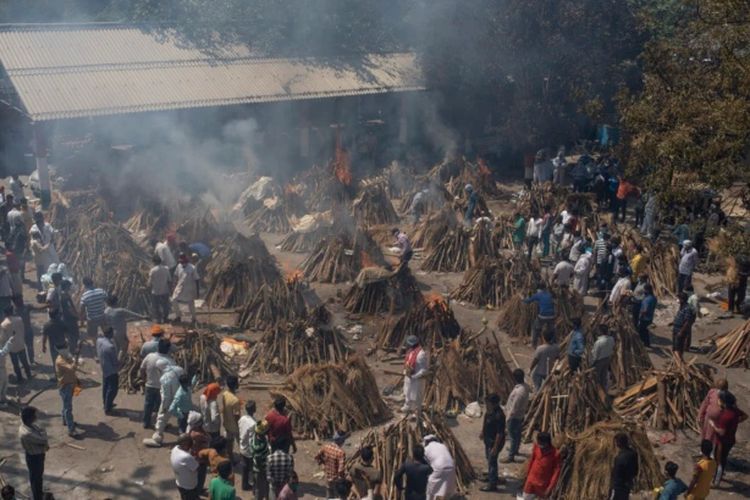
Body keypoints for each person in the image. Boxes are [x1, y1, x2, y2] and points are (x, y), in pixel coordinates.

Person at [709, 391, 747, 486]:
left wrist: (713, 425)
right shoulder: (734, 410)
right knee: (723, 459)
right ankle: (719, 475)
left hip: (722, 442)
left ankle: (716, 482)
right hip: (730, 440)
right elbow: (745, 416)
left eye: (719, 399)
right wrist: (735, 422)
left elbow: (721, 432)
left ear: (723, 402)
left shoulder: (726, 416)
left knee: (719, 461)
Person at [139, 338, 174, 429]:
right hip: (162, 388)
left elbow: (142, 369)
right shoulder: (170, 361)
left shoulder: (150, 356)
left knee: (148, 405)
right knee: (160, 407)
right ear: (168, 349)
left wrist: (143, 380)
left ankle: (146, 423)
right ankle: (160, 425)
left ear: (158, 347)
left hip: (149, 385)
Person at [19, 406, 49, 500]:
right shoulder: (27, 433)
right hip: (35, 457)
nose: (36, 417)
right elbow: (43, 439)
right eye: (34, 415)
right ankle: (37, 497)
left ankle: (39, 493)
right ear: (29, 418)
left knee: (37, 477)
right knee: (36, 478)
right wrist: (43, 431)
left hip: (36, 455)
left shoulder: (27, 425)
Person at [152, 363, 186, 445]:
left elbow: (166, 396)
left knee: (162, 416)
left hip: (170, 399)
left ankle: (158, 436)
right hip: (182, 396)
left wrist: (164, 407)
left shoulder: (164, 378)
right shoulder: (179, 369)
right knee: (183, 416)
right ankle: (184, 436)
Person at [521, 431, 561, 499]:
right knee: (525, 497)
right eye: (539, 444)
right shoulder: (536, 447)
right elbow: (531, 460)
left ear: (548, 443)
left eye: (542, 444)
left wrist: (550, 487)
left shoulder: (555, 454)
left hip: (543, 484)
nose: (541, 447)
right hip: (531, 480)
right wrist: (527, 475)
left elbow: (556, 472)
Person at [479, 393, 505, 492]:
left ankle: (492, 484)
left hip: (494, 442)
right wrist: (482, 431)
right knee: (490, 460)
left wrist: (495, 447)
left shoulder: (499, 415)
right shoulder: (489, 411)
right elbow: (485, 422)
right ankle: (492, 476)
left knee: (492, 462)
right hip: (488, 440)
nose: (486, 404)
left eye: (488, 402)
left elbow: (500, 433)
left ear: (493, 403)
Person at [503, 369, 530, 463]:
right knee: (517, 435)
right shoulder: (525, 387)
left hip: (514, 417)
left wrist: (508, 418)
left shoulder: (519, 392)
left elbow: (514, 407)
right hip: (520, 415)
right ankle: (515, 450)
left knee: (513, 436)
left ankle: (511, 456)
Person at [401, 335, 429, 421]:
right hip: (409, 378)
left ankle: (416, 413)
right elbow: (408, 363)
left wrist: (414, 376)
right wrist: (406, 371)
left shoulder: (421, 355)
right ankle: (407, 406)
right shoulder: (411, 351)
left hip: (417, 380)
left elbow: (423, 370)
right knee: (408, 393)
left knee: (416, 397)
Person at [54, 343, 79, 437]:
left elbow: (72, 362)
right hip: (65, 386)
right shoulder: (60, 361)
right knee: (68, 408)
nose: (67, 349)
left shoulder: (65, 357)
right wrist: (76, 358)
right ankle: (71, 429)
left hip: (70, 384)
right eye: (65, 348)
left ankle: (66, 421)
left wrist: (74, 358)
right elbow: (72, 368)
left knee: (65, 405)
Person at [2, 305, 31, 383]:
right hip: (21, 343)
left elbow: (4, 338)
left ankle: (20, 378)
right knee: (24, 361)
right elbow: (23, 330)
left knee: (15, 364)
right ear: (12, 311)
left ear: (5, 313)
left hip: (12, 347)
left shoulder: (3, 324)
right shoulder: (19, 319)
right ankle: (29, 375)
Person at [422, 435, 456, 500]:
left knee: (431, 484)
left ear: (426, 442)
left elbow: (425, 463)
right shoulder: (443, 445)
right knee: (447, 485)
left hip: (439, 467)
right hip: (451, 466)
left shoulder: (426, 449)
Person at [315, 431, 347, 497]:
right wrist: (343, 478)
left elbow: (317, 457)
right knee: (337, 496)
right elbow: (340, 470)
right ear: (340, 440)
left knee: (329, 494)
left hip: (327, 476)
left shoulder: (326, 447)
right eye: (343, 439)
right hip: (336, 480)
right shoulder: (341, 453)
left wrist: (323, 464)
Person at [523, 283, 555, 348]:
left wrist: (522, 299)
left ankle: (533, 344)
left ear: (539, 289)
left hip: (543, 316)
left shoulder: (538, 294)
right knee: (551, 329)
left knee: (535, 328)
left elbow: (528, 301)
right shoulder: (550, 294)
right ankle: (552, 343)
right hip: (552, 316)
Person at [96, 327, 119, 414]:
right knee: (113, 388)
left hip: (104, 367)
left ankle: (105, 403)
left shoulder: (99, 341)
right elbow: (115, 361)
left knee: (105, 386)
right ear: (110, 334)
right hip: (111, 370)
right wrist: (119, 364)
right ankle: (108, 407)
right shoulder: (110, 347)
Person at [698, 378, 729, 442]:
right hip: (709, 416)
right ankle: (705, 447)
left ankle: (709, 448)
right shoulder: (712, 392)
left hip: (718, 419)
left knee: (713, 435)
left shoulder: (727, 396)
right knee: (705, 431)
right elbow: (705, 403)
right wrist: (700, 414)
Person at [172, 254, 200, 325]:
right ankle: (178, 316)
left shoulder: (192, 268)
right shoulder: (179, 266)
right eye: (181, 262)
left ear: (187, 261)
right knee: (174, 300)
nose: (182, 263)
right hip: (180, 286)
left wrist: (197, 291)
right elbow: (175, 275)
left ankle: (194, 318)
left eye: (183, 262)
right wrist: (174, 284)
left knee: (191, 303)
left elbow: (197, 279)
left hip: (189, 288)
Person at [609, 433, 638, 500]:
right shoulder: (633, 453)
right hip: (627, 485)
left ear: (618, 443)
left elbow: (616, 474)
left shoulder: (619, 458)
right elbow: (636, 470)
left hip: (618, 487)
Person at [171, 433, 200, 500]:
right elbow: (196, 468)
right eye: (190, 445)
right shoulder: (186, 457)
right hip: (189, 486)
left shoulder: (175, 449)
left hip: (180, 482)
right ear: (185, 445)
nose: (190, 446)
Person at [186, 411, 210, 493]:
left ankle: (198, 488)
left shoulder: (191, 429)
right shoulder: (197, 435)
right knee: (201, 475)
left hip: (195, 456)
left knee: (198, 475)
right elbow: (208, 439)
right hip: (200, 459)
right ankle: (198, 490)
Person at [79, 277, 108, 344]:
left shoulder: (85, 296)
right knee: (106, 332)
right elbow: (108, 302)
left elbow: (82, 310)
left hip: (91, 319)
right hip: (102, 317)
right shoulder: (101, 291)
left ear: (84, 285)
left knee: (93, 336)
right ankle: (108, 345)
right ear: (93, 283)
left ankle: (96, 347)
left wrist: (82, 322)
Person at [219, 375, 241, 458]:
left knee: (229, 442)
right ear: (235, 385)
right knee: (240, 442)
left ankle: (230, 457)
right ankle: (243, 458)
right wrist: (239, 426)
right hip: (235, 427)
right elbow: (236, 416)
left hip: (227, 424)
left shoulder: (225, 394)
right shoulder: (235, 400)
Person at [239, 400, 258, 491]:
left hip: (242, 447)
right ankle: (254, 487)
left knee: (244, 468)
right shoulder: (253, 423)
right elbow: (252, 439)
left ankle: (244, 485)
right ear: (253, 410)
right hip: (250, 451)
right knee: (253, 469)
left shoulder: (242, 419)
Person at [251, 420, 271, 500]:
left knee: (259, 487)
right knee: (260, 490)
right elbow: (258, 459)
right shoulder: (259, 446)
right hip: (261, 469)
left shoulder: (255, 436)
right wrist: (263, 470)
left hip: (256, 467)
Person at [148, 255, 172, 323]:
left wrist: (147, 287)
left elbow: (149, 282)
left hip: (155, 291)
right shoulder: (166, 269)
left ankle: (158, 319)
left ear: (154, 262)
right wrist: (170, 290)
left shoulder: (152, 270)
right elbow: (169, 280)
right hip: (165, 290)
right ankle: (165, 318)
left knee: (156, 306)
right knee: (165, 305)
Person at [591, 325, 615, 391]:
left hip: (599, 361)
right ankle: (605, 389)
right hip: (607, 358)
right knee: (604, 375)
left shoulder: (598, 342)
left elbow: (595, 355)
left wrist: (592, 363)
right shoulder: (611, 339)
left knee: (597, 377)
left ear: (600, 332)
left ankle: (599, 391)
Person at [672, 292, 696, 358]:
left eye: (678, 298)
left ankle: (679, 361)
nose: (677, 300)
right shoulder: (682, 307)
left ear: (682, 299)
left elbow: (687, 322)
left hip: (680, 330)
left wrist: (681, 332)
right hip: (676, 329)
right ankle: (675, 361)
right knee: (675, 346)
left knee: (678, 347)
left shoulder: (687, 308)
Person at [59, 280, 79, 352]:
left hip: (66, 317)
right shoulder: (65, 296)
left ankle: (72, 348)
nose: (70, 287)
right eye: (69, 286)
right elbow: (69, 308)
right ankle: (72, 350)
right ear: (66, 286)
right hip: (69, 318)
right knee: (73, 334)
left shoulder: (63, 294)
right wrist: (76, 315)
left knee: (70, 335)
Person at [0, 336, 13, 407]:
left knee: (5, 382)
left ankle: (3, 397)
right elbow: (3, 353)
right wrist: (9, 343)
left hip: (2, 367)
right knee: (1, 385)